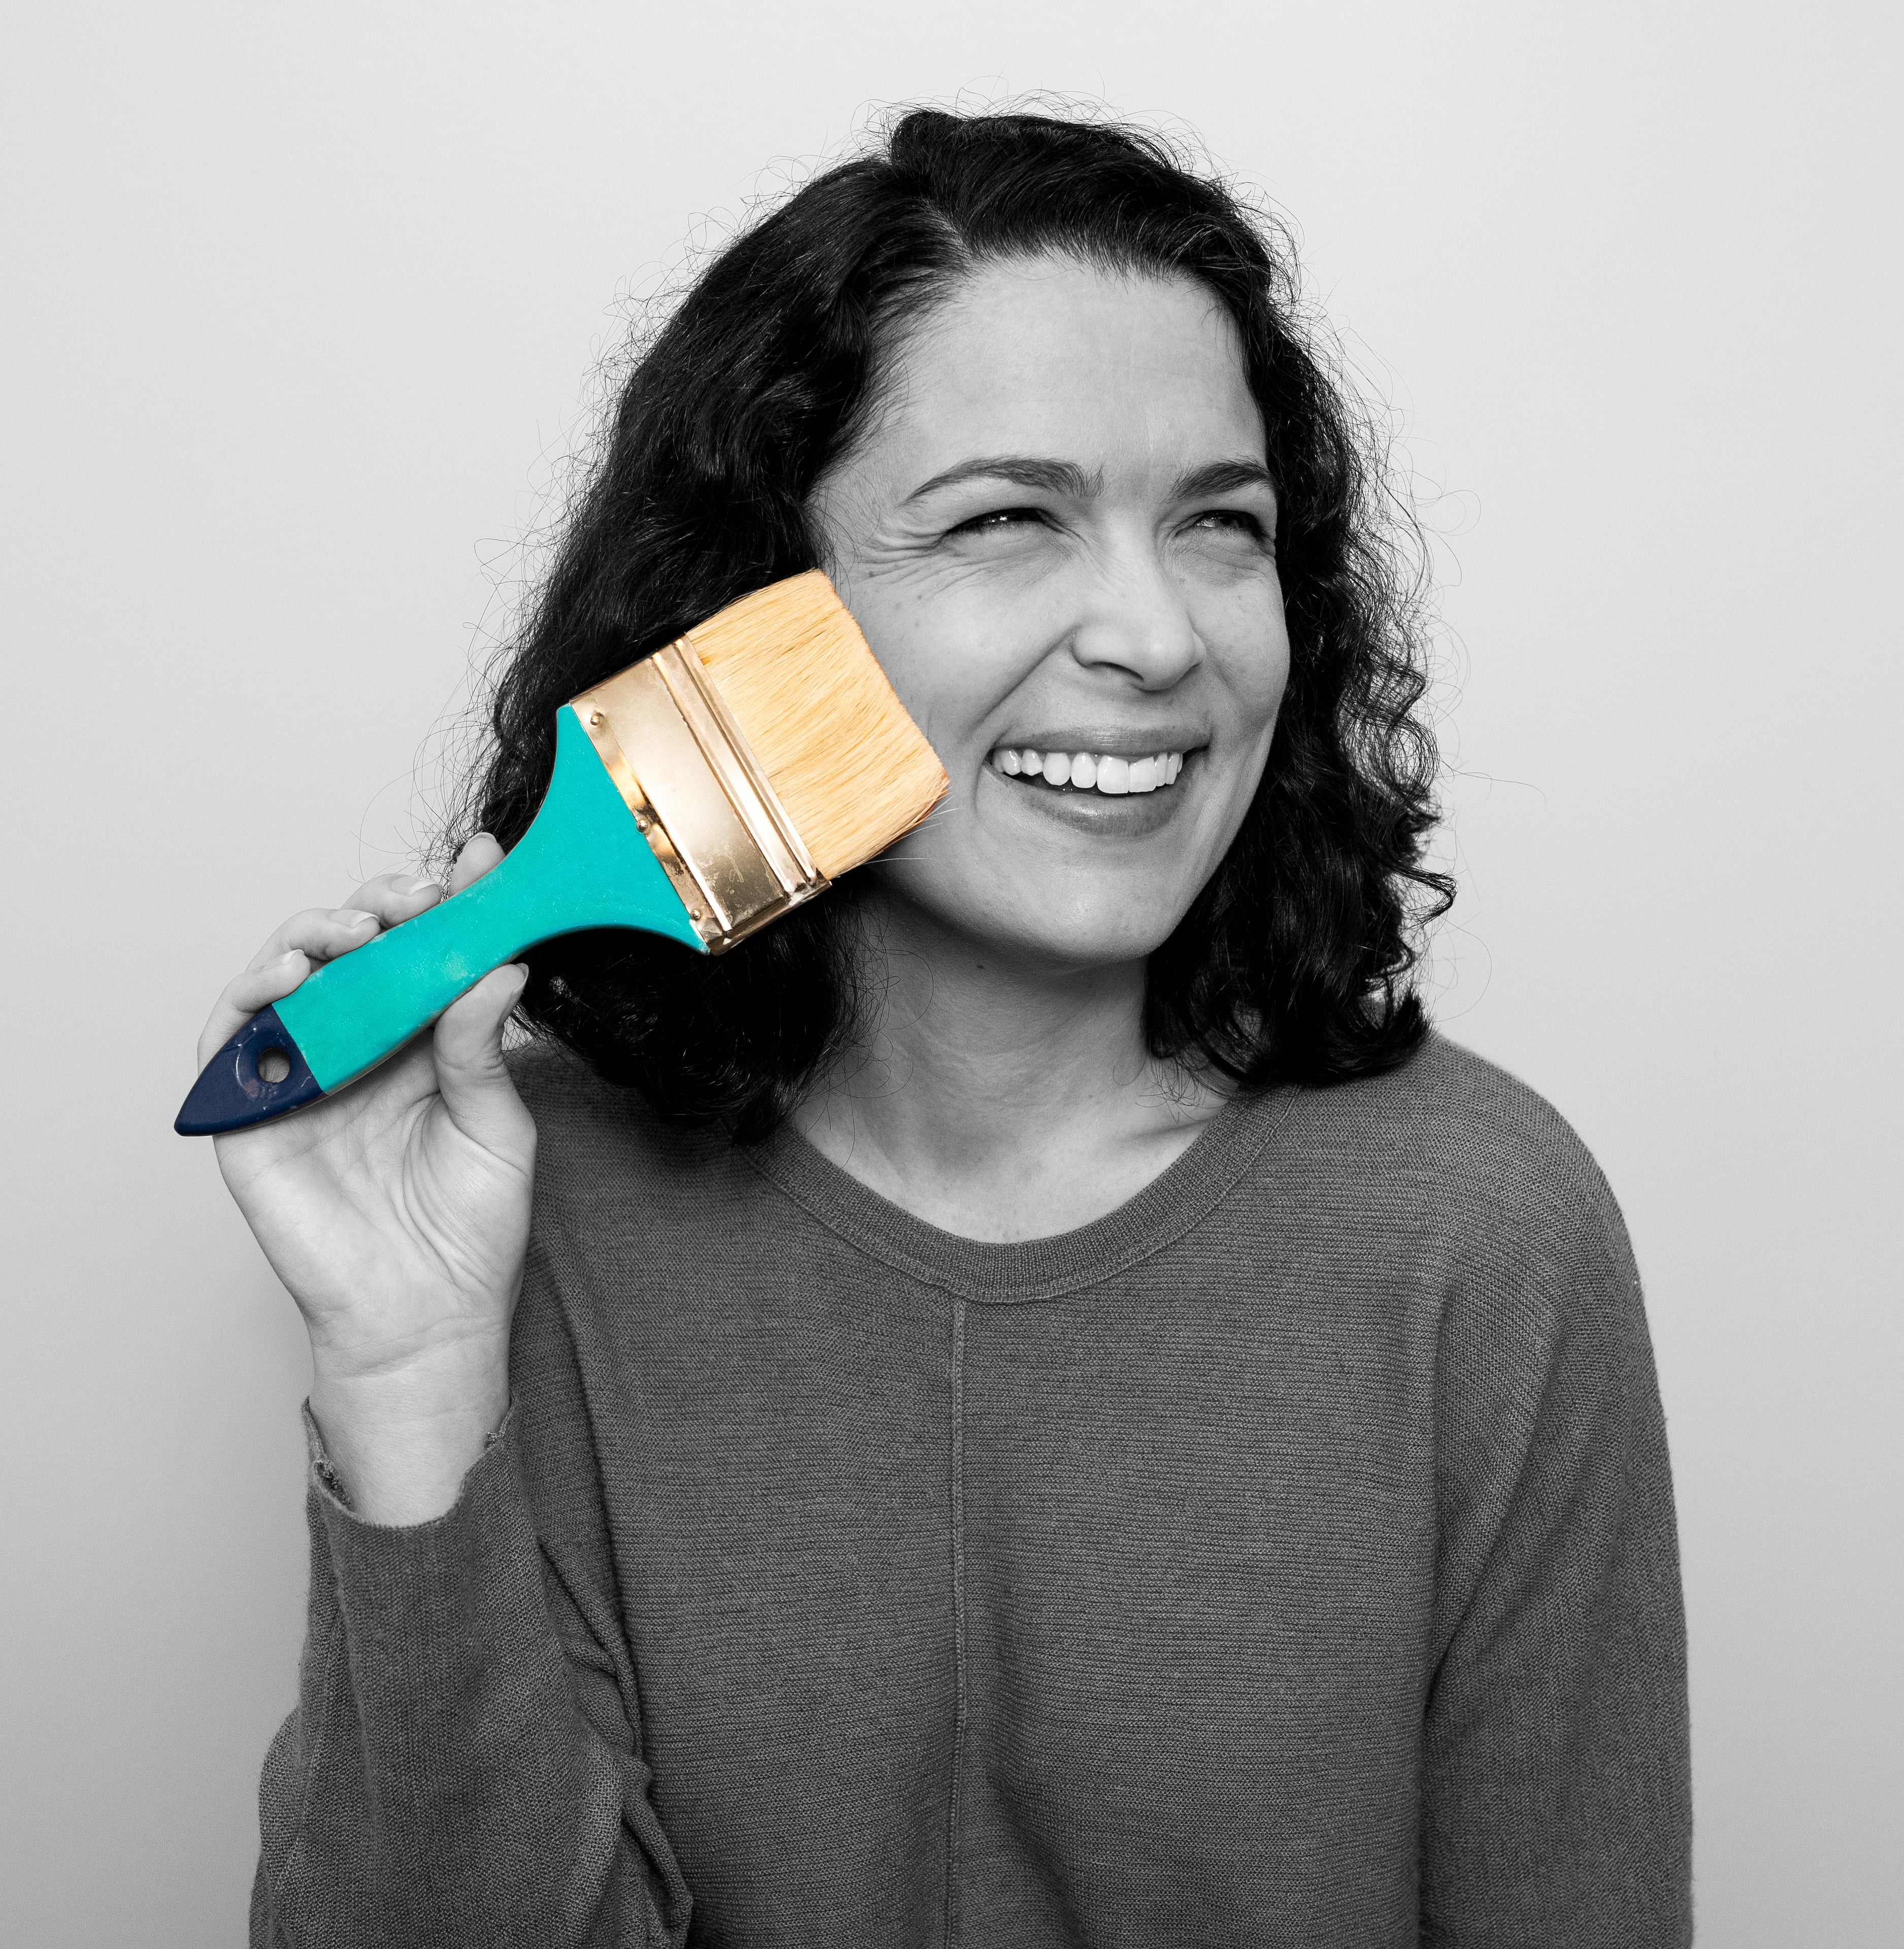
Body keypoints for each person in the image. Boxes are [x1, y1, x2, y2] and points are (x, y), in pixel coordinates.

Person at [208, 109, 1690, 1947]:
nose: (1154, 634)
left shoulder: (1483, 1230)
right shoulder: (533, 1219)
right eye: (1006, 519)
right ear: (755, 620)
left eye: (1220, 526)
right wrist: (410, 1378)